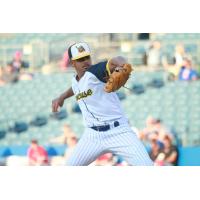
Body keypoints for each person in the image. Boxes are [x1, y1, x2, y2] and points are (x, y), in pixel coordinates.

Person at [52, 42, 153, 166]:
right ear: (73, 63)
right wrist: (61, 97)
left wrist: (121, 64)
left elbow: (116, 60)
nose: (85, 62)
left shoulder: (95, 72)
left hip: (119, 131)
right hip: (92, 136)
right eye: (80, 59)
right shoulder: (76, 80)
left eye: (87, 57)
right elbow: (75, 87)